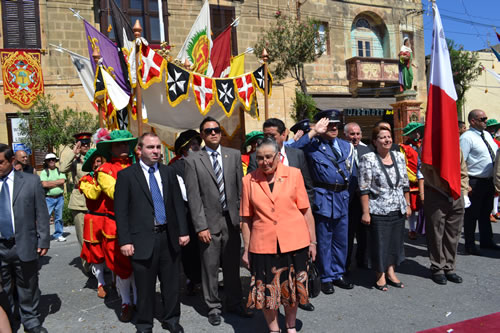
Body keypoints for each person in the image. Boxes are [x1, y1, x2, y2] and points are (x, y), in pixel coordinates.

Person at [241, 137, 316, 333]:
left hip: (294, 243)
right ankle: (274, 329)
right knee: (268, 293)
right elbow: (246, 219)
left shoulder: (294, 174)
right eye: (259, 158)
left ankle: (290, 326)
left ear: (277, 157)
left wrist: (313, 242)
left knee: (292, 290)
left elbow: (305, 211)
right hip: (263, 245)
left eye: (268, 157)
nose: (264, 162)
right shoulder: (248, 180)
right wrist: (247, 249)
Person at [115, 132, 189, 333]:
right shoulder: (126, 176)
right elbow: (120, 212)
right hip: (142, 240)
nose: (156, 151)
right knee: (145, 286)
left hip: (169, 237)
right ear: (139, 150)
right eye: (150, 147)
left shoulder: (168, 172)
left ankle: (172, 320)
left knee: (171, 284)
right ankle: (144, 323)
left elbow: (177, 205)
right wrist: (125, 241)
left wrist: (183, 231)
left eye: (157, 147)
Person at [184, 117, 250, 326]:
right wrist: (200, 226)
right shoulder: (193, 159)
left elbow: (240, 190)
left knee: (232, 266)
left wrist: (241, 217)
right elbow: (194, 197)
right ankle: (213, 307)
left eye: (216, 129)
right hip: (208, 223)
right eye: (208, 130)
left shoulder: (234, 155)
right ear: (202, 135)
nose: (213, 133)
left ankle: (234, 303)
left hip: (231, 220)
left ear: (221, 133)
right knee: (210, 267)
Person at [292, 110, 355, 294]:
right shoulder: (313, 145)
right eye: (329, 125)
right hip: (324, 197)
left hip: (342, 197)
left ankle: (338, 272)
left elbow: (352, 173)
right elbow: (295, 150)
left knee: (341, 239)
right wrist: (314, 132)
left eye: (336, 124)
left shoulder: (344, 146)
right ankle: (326, 276)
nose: (334, 128)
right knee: (325, 239)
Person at [0, 143, 50, 333]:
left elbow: (42, 212)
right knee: (3, 287)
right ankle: (9, 320)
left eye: (1, 162)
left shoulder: (30, 181)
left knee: (28, 283)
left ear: (11, 161)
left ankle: (30, 320)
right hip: (0, 246)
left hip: (23, 242)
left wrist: (44, 239)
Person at [359, 125, 410, 291]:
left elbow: (405, 184)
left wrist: (407, 204)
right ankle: (379, 274)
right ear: (375, 141)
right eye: (382, 137)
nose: (387, 140)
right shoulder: (368, 159)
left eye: (388, 137)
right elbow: (364, 188)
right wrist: (365, 212)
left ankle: (391, 271)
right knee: (380, 243)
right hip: (378, 208)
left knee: (395, 242)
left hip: (398, 207)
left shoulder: (398, 157)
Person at [95, 130, 138, 322]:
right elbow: (115, 193)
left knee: (142, 264)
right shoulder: (105, 170)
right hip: (118, 224)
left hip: (141, 222)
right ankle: (126, 302)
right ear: (111, 148)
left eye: (126, 144)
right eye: (119, 144)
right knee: (122, 266)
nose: (124, 147)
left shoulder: (140, 165)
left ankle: (140, 299)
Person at [423, 151, 469, 285]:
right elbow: (426, 171)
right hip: (436, 193)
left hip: (456, 194)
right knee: (436, 233)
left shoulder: (457, 149)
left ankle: (449, 267)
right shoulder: (429, 148)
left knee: (453, 233)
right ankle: (438, 267)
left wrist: (463, 192)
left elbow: (464, 172)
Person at [460, 109, 500, 255]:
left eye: (486, 118)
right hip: (474, 180)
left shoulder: (487, 135)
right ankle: (470, 245)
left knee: (485, 212)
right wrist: (465, 184)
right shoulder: (467, 138)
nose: (486, 121)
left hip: (488, 180)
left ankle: (486, 241)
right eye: (483, 119)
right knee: (471, 215)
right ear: (473, 121)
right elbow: (461, 161)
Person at [169, 130, 203, 296]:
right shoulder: (176, 167)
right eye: (192, 145)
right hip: (188, 214)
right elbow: (186, 194)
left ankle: (206, 279)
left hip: (207, 213)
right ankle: (193, 279)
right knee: (190, 250)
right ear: (184, 149)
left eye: (197, 144)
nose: (196, 147)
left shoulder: (205, 162)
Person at [59, 132, 93, 273]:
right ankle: (88, 266)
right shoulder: (75, 160)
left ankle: (100, 265)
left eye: (87, 143)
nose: (85, 146)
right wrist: (73, 153)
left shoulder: (95, 157)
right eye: (82, 143)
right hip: (80, 202)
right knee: (83, 237)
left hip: (96, 202)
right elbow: (62, 169)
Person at [78, 148, 108, 299]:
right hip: (94, 220)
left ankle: (117, 280)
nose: (98, 164)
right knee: (97, 254)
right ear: (91, 164)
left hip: (109, 218)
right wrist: (103, 178)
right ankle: (101, 283)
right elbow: (93, 194)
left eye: (101, 161)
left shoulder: (109, 176)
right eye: (96, 162)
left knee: (113, 250)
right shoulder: (85, 180)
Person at [343, 122, 370, 272]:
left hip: (364, 199)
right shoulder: (341, 149)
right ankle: (345, 264)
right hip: (348, 199)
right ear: (345, 135)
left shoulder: (367, 151)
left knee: (364, 233)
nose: (355, 137)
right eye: (352, 134)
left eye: (358, 134)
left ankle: (362, 260)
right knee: (348, 233)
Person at [400, 122, 425, 240]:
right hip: (412, 180)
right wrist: (411, 176)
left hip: (425, 179)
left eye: (418, 131)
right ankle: (411, 228)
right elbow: (403, 164)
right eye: (414, 132)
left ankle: (423, 227)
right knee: (412, 206)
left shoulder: (424, 144)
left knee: (424, 206)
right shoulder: (404, 147)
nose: (417, 134)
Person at [40, 153, 67, 242]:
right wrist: (56, 183)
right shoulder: (44, 172)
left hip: (59, 198)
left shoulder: (60, 171)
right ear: (46, 162)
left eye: (53, 159)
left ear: (55, 160)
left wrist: (50, 183)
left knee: (59, 218)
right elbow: (44, 184)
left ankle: (58, 234)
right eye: (49, 160)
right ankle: (43, 236)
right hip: (48, 198)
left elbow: (62, 181)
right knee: (45, 218)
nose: (51, 161)